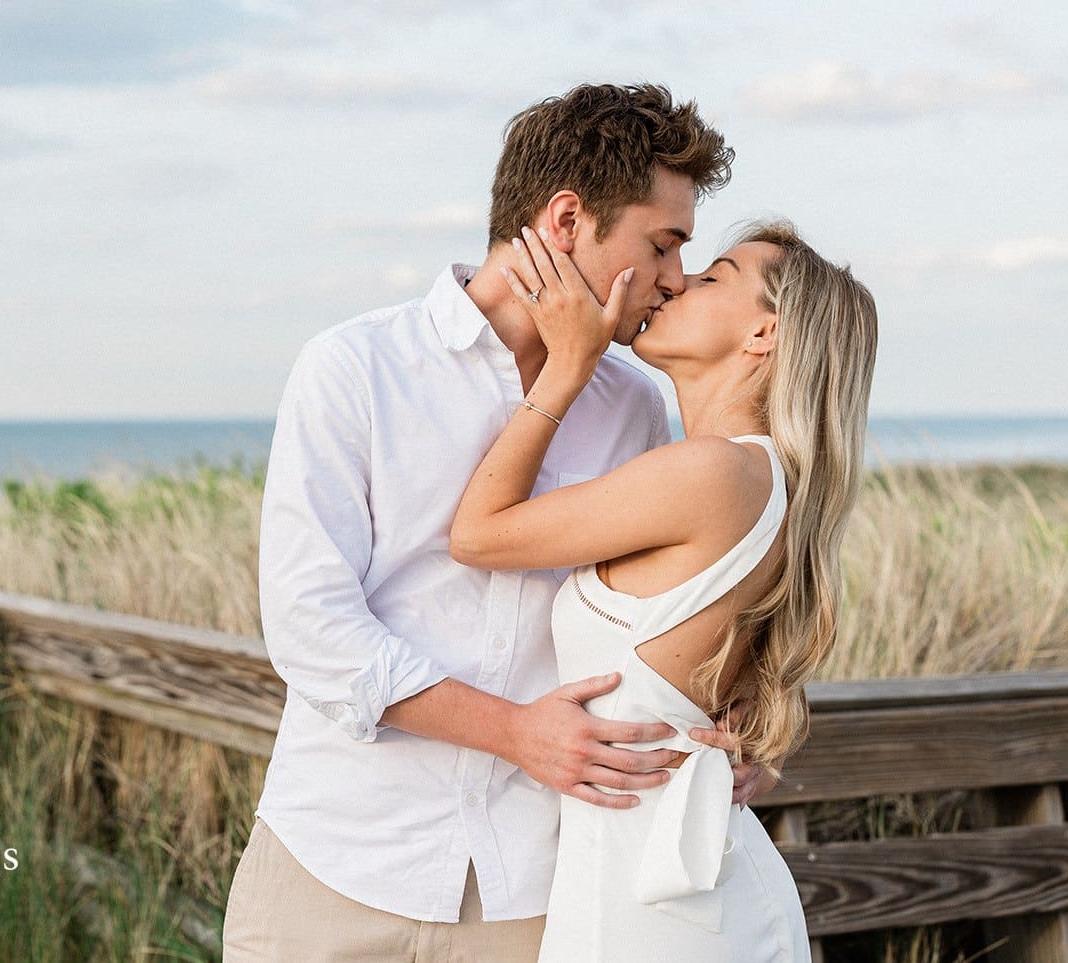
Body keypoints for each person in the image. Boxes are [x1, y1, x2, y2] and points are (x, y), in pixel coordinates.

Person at [223, 83, 766, 962]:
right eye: (662, 243)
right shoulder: (354, 368)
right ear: (565, 220)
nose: (674, 277)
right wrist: (516, 732)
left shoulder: (632, 407)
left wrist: (731, 724)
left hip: (536, 886)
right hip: (333, 866)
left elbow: (654, 615)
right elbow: (311, 626)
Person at [449, 221, 877, 959]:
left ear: (762, 334)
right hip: (649, 893)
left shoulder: (714, 472)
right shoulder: (747, 476)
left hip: (661, 911)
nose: (676, 281)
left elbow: (479, 534)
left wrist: (567, 364)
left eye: (713, 277)